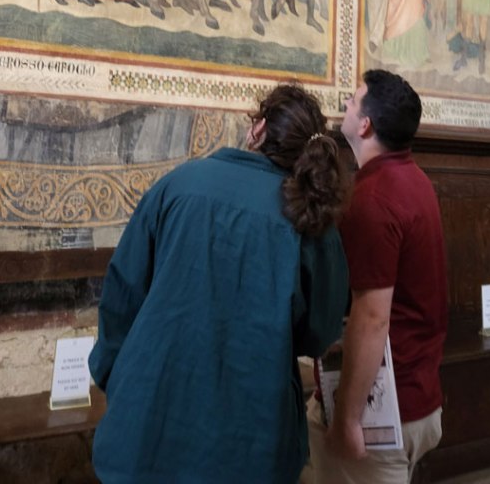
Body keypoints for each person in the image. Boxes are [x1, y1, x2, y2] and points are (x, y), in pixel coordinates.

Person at [89, 82, 349, 484]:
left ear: (257, 130)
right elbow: (321, 333)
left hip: (146, 426)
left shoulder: (178, 184)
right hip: (250, 439)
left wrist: (116, 379)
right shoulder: (311, 220)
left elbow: (122, 293)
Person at [307, 69, 448, 484]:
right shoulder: (414, 179)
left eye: (352, 102)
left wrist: (348, 419)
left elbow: (371, 318)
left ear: (365, 124)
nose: (345, 106)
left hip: (384, 411)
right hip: (419, 392)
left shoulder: (374, 199)